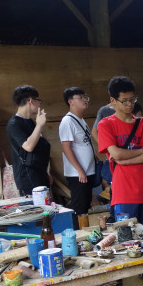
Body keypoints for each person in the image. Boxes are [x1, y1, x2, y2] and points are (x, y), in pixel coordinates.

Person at [98, 76, 143, 286]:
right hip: (123, 193)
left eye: (133, 100)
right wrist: (137, 152)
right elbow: (117, 155)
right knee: (124, 242)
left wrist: (126, 158)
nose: (129, 104)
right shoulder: (106, 125)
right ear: (112, 101)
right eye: (124, 101)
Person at [7, 85, 51, 196]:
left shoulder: (30, 122)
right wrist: (39, 125)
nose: (39, 104)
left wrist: (46, 172)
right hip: (27, 178)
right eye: (38, 100)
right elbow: (28, 146)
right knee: (37, 211)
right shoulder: (14, 124)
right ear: (31, 100)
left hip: (38, 173)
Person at [58, 87, 95, 216]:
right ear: (71, 102)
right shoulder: (67, 121)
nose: (85, 100)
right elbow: (66, 147)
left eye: (85, 97)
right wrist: (79, 170)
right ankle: (78, 232)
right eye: (80, 97)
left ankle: (84, 231)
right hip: (77, 174)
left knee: (85, 206)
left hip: (87, 171)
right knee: (79, 207)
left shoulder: (81, 120)